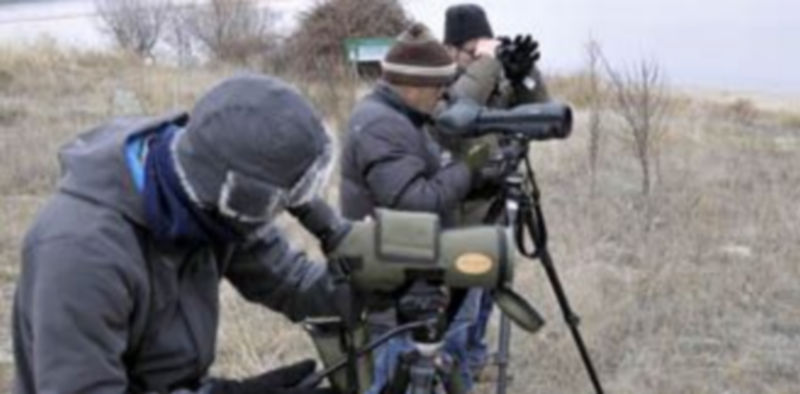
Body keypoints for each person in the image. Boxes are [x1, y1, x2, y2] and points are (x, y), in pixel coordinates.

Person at [12, 74, 340, 394]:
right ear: (238, 195)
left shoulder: (202, 203)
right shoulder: (81, 254)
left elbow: (294, 285)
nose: (281, 214)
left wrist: (374, 276)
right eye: (277, 202)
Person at [339, 23, 504, 393]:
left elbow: (428, 178)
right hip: (392, 294)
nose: (443, 94)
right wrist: (469, 168)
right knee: (391, 378)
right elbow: (417, 201)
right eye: (437, 86)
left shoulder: (401, 118)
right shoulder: (382, 124)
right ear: (412, 85)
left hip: (410, 280)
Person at [438, 3, 553, 381]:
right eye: (473, 52)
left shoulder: (494, 85)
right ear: (450, 49)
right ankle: (453, 378)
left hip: (497, 211)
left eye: (485, 51)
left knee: (487, 299)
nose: (482, 59)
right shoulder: (438, 84)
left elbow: (543, 115)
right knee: (463, 308)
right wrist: (487, 65)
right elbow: (455, 117)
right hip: (461, 218)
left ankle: (473, 363)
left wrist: (524, 76)